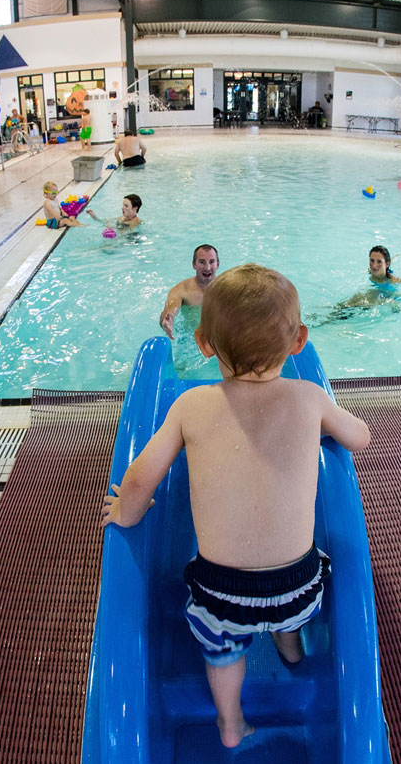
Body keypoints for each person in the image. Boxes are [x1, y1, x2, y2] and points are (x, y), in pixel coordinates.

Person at [102, 263, 372, 749]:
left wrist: (126, 512)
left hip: (221, 594)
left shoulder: (191, 406)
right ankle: (289, 645)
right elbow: (360, 437)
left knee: (223, 654)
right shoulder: (310, 398)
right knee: (291, 612)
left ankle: (231, 725)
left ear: (205, 344)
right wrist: (324, 423)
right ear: (299, 342)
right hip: (298, 583)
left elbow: (140, 476)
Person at [159, 245, 220, 339]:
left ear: (218, 264)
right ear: (194, 264)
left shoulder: (226, 289)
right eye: (202, 262)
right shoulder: (182, 290)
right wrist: (166, 321)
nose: (207, 268)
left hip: (217, 338)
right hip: (190, 337)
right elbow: (169, 310)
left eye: (211, 262)